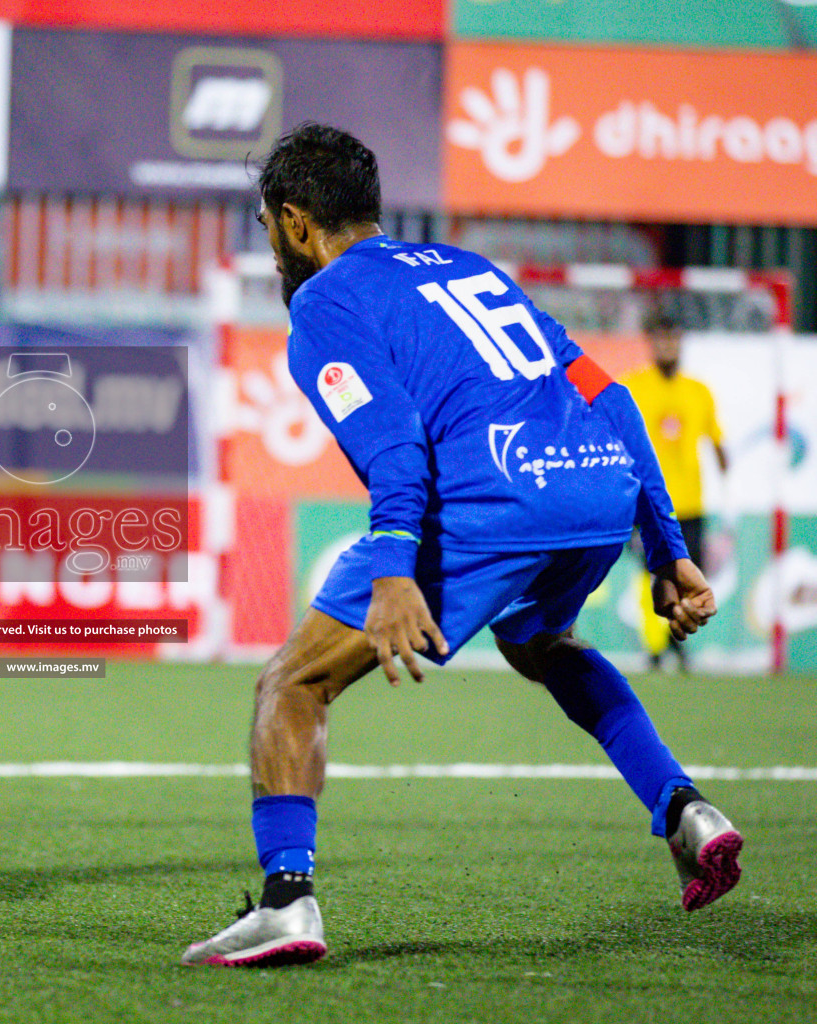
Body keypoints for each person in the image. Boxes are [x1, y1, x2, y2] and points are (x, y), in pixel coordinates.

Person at [182, 124, 742, 967]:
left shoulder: (326, 300)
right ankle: (684, 807)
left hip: (494, 498)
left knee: (292, 683)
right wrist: (664, 544)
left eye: (267, 228)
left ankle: (286, 903)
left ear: (297, 223)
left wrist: (396, 569)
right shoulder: (470, 268)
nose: (269, 248)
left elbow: (398, 441)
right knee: (541, 640)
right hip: (595, 488)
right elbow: (610, 394)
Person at [622, 313, 728, 671]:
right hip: (648, 504)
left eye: (674, 340)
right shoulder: (633, 388)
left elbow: (716, 443)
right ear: (651, 344)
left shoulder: (698, 391)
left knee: (688, 576)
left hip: (691, 502)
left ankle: (676, 644)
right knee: (648, 575)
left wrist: (730, 496)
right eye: (662, 340)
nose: (669, 347)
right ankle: (653, 650)